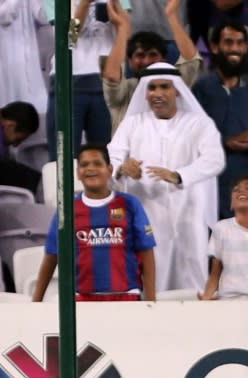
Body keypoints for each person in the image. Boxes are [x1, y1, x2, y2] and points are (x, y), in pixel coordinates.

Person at [109, 62, 225, 291]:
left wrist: (179, 175)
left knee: (192, 279)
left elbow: (215, 159)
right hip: (146, 212)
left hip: (189, 212)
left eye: (165, 87)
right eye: (152, 88)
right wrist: (122, 168)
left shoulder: (199, 123)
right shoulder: (132, 124)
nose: (158, 94)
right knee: (150, 280)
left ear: (177, 91)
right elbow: (112, 157)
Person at [32, 144, 156, 301]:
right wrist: (36, 301)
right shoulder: (67, 209)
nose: (91, 169)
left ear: (110, 170)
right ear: (78, 173)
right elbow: (52, 256)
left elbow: (147, 253)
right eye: (84, 165)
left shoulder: (130, 204)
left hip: (127, 297)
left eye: (97, 163)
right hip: (82, 300)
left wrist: (151, 301)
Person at [45, 0, 130, 161]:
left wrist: (116, 6)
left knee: (109, 156)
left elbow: (126, 31)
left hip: (107, 80)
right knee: (63, 158)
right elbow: (68, 39)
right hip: (68, 80)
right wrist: (84, 4)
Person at [102, 0, 201, 133]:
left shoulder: (175, 87)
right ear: (130, 62)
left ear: (164, 59)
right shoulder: (126, 91)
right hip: (131, 153)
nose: (147, 61)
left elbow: (191, 60)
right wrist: (123, 27)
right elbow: (112, 78)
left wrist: (171, 15)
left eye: (152, 55)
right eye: (140, 56)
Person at [193, 20, 248, 220]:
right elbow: (190, 138)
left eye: (240, 43)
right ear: (215, 47)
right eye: (229, 42)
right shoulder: (200, 89)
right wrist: (226, 142)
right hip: (212, 184)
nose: (235, 48)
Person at [0, 0, 48, 113]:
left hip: (26, 60)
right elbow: (3, 16)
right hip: (1, 61)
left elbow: (43, 16)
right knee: (4, 110)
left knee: (32, 112)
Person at [199, 175, 248, 300]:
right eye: (236, 189)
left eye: (247, 188)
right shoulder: (221, 228)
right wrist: (205, 298)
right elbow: (215, 274)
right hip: (229, 300)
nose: (241, 191)